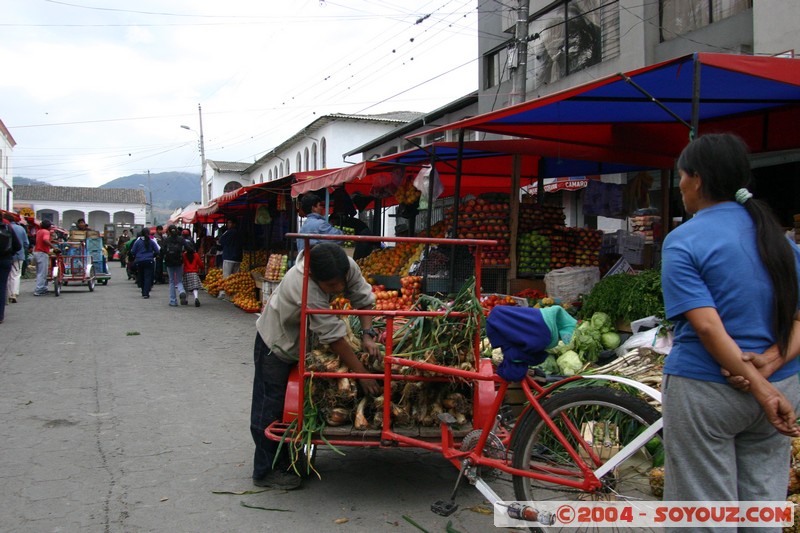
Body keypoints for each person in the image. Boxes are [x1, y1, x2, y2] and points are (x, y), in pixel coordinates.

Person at [660, 133, 800, 522]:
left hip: (708, 390)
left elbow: (707, 328)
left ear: (697, 179)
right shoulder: (782, 242)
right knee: (762, 506)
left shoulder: (684, 240)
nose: (681, 186)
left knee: (705, 512)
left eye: (682, 176)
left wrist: (758, 384)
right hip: (783, 388)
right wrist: (769, 370)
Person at [250, 243, 380, 490]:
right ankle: (265, 471)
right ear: (314, 277)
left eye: (340, 282)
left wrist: (368, 333)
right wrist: (361, 373)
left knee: (300, 403)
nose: (339, 289)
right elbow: (333, 336)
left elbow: (363, 299)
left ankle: (292, 460)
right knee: (270, 406)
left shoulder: (346, 267)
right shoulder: (303, 284)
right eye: (331, 287)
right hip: (277, 343)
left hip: (305, 342)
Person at [0, 214, 23, 323]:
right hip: (5, 260)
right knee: (2, 287)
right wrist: (9, 254)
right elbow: (18, 246)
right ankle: (0, 316)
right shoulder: (8, 227)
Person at [4, 213, 29, 304]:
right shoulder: (21, 228)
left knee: (7, 275)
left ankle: (6, 294)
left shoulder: (5, 227)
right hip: (19, 254)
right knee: (16, 275)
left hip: (5, 255)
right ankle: (14, 293)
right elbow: (26, 243)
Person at [162, 225, 189, 307]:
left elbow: (162, 250)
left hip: (169, 262)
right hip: (179, 261)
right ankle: (182, 291)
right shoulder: (181, 239)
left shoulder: (166, 240)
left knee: (171, 281)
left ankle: (173, 301)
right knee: (179, 280)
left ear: (169, 232)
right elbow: (188, 247)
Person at [130, 227, 160, 299]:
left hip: (139, 261)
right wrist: (152, 255)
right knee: (148, 277)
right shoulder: (151, 241)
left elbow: (133, 251)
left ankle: (143, 290)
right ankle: (146, 293)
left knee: (141, 276)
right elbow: (157, 251)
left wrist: (137, 255)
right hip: (149, 261)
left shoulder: (138, 242)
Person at [217, 218, 243, 300]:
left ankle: (223, 293)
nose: (228, 224)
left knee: (226, 276)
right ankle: (234, 293)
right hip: (238, 258)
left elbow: (220, 241)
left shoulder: (228, 232)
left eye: (230, 223)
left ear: (234, 224)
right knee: (235, 277)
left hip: (228, 257)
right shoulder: (240, 233)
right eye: (228, 223)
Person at [33, 219, 55, 296]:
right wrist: (53, 247)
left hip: (36, 252)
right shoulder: (46, 232)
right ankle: (39, 289)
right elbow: (45, 240)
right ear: (48, 226)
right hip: (42, 253)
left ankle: (43, 288)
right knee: (42, 273)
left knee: (39, 272)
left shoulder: (39, 231)